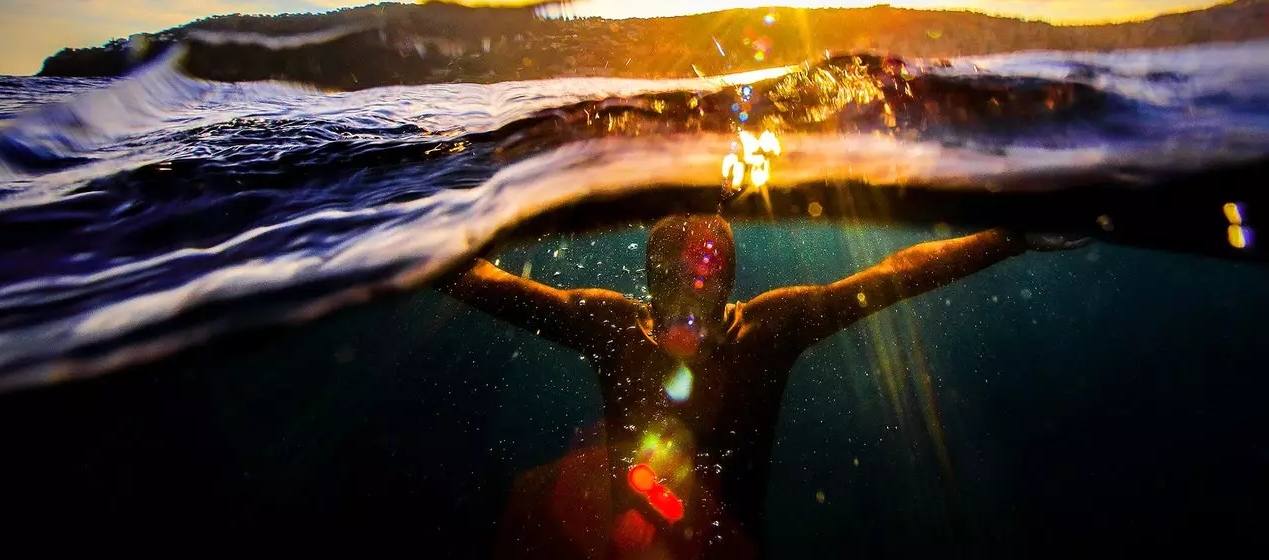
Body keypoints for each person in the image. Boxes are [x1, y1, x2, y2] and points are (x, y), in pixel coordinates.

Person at [438, 215, 1084, 557]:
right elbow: (499, 288)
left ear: (728, 287)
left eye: (704, 279)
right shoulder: (612, 325)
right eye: (670, 278)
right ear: (648, 279)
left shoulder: (767, 331)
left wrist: (1011, 236)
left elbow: (896, 272)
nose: (686, 298)